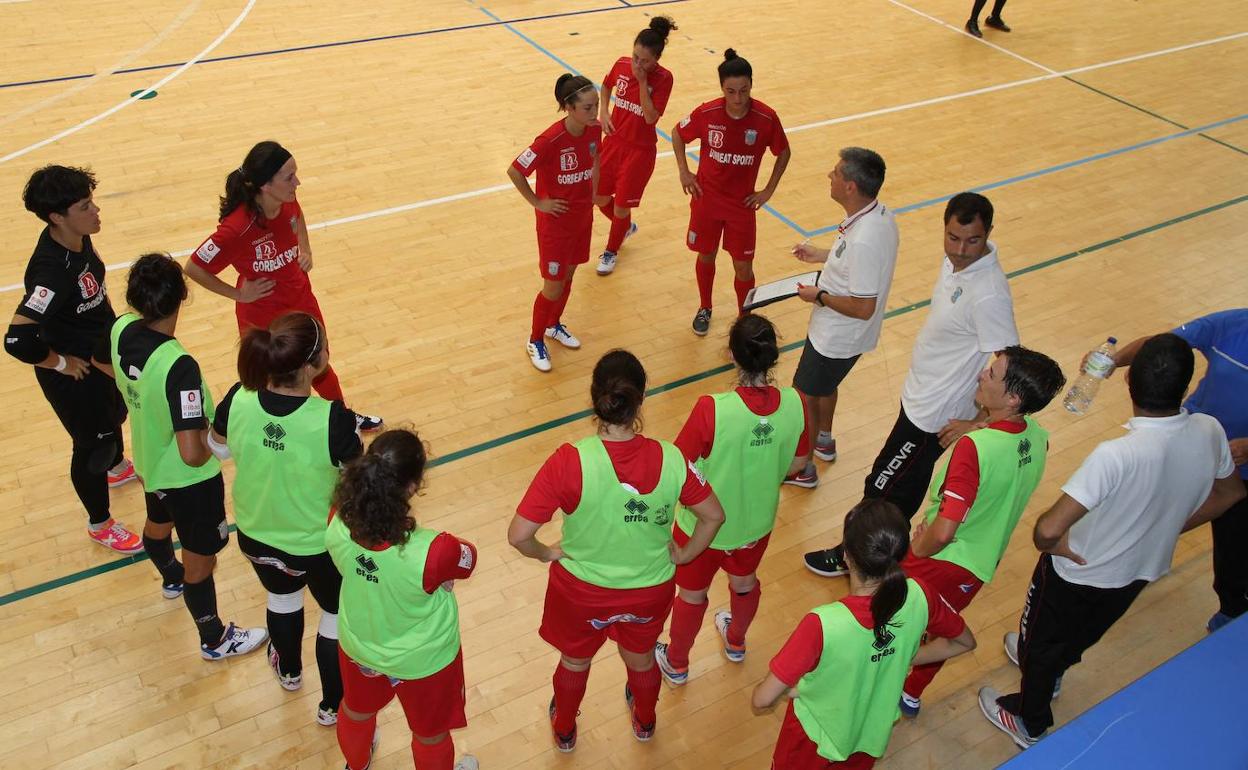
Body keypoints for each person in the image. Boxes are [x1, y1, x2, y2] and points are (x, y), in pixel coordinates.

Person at [980, 334, 1245, 749]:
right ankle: (1051, 672)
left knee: (1040, 642)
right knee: (1083, 633)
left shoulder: (1115, 455)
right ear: (1187, 385)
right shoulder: (1211, 430)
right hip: (1142, 568)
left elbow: (1048, 530)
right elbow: (1230, 494)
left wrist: (1054, 545)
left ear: (1127, 383)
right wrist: (1171, 526)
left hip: (1076, 571)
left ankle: (1029, 718)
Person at [508, 349, 725, 749]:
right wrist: (686, 553)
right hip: (648, 592)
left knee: (575, 661)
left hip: (580, 594)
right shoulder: (673, 459)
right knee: (641, 660)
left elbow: (519, 534)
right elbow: (713, 516)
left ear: (594, 399)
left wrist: (546, 553)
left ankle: (565, 730)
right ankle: (644, 722)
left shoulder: (569, 460)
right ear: (641, 399)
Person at [804, 192, 1019, 578]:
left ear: (989, 232)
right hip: (920, 398)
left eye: (972, 240)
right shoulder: (957, 266)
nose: (960, 250)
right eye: (953, 238)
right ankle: (877, 557)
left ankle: (856, 558)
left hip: (934, 416)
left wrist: (979, 422)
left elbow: (1011, 364)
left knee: (885, 488)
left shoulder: (988, 293)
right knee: (895, 487)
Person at [95, 253, 267, 658]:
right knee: (200, 563)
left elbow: (101, 362)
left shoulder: (120, 327)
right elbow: (193, 454)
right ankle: (214, 638)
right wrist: (227, 434)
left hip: (151, 463)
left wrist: (141, 399)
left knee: (158, 521)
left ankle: (170, 578)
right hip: (189, 482)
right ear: (182, 297)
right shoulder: (179, 367)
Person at [209, 311, 364, 726]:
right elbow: (357, 484)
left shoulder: (237, 397)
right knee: (333, 615)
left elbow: (217, 447)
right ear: (315, 363)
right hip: (318, 547)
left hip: (256, 535)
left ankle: (290, 672)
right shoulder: (333, 419)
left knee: (282, 598)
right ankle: (333, 705)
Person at [896, 346, 1064, 718]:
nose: (981, 375)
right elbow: (1006, 444)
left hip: (941, 559)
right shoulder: (1037, 435)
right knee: (941, 629)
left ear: (1012, 397)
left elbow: (943, 532)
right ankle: (910, 693)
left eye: (992, 374)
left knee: (894, 622)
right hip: (981, 562)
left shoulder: (974, 450)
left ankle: (880, 680)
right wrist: (979, 424)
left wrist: (919, 547)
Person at [752, 500, 976, 769]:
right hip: (868, 737)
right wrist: (903, 655)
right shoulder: (921, 596)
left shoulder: (823, 624)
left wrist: (794, 689)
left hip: (812, 742)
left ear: (846, 555)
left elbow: (762, 699)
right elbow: (964, 642)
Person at [184, 140, 382, 430]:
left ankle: (341, 419)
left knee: (320, 364)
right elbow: (194, 267)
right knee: (268, 379)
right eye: (289, 177)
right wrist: (238, 293)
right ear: (265, 185)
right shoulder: (237, 227)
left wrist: (305, 248)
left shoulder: (286, 200)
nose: (297, 182)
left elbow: (298, 217)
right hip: (264, 316)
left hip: (301, 299)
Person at [654, 314, 808, 684]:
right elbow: (799, 464)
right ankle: (736, 642)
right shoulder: (796, 401)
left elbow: (678, 467)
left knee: (692, 595)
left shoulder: (713, 409)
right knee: (744, 583)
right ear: (773, 356)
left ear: (731, 355)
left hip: (700, 530)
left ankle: (677, 663)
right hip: (756, 526)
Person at [4, 164, 142, 554]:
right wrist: (60, 363)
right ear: (56, 217)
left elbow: (93, 289)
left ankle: (116, 467)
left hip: (98, 356)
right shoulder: (50, 273)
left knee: (115, 415)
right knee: (92, 446)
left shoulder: (76, 238)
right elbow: (16, 340)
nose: (96, 210)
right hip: (75, 375)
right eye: (85, 206)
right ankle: (100, 523)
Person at [327, 429, 479, 770]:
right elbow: (468, 558)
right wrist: (441, 573)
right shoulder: (434, 550)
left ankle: (355, 764)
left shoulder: (336, 517)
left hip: (360, 646)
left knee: (355, 709)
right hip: (424, 662)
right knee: (430, 735)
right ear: (412, 487)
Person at [1108, 310, 1248, 631]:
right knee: (1155, 507)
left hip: (1241, 467)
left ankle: (1232, 611)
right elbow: (1162, 346)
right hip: (1191, 441)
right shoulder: (1231, 324)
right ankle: (1143, 558)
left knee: (1234, 547)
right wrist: (1113, 362)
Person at [785, 147, 900, 487]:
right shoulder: (875, 216)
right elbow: (855, 265)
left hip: (836, 337)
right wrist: (821, 255)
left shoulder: (865, 238)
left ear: (850, 186)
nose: (829, 177)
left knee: (803, 396)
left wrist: (817, 295)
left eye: (835, 173)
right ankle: (823, 440)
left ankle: (802, 468)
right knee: (825, 387)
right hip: (839, 335)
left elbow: (863, 307)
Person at [672, 49, 791, 336]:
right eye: (731, 91)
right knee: (706, 256)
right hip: (707, 202)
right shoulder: (707, 113)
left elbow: (783, 152)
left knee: (743, 269)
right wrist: (684, 172)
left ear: (752, 85)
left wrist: (768, 190)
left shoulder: (766, 117)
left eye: (744, 90)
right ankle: (705, 307)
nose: (738, 98)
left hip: (742, 208)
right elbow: (677, 133)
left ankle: (744, 321)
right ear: (721, 88)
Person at [508, 74, 602, 372]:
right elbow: (515, 170)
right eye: (588, 107)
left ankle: (553, 324)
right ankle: (535, 338)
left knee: (570, 274)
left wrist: (594, 194)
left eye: (596, 105)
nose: (595, 112)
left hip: (581, 218)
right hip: (555, 226)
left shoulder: (593, 130)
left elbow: (595, 160)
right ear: (569, 107)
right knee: (553, 286)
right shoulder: (550, 140)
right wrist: (538, 202)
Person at [593, 16, 677, 276]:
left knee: (620, 207)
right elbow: (606, 87)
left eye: (645, 61)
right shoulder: (621, 64)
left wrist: (642, 82)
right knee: (598, 197)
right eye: (635, 57)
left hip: (639, 152)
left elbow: (651, 117)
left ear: (657, 60)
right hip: (613, 144)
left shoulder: (664, 79)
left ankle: (611, 251)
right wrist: (604, 112)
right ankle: (625, 228)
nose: (638, 64)